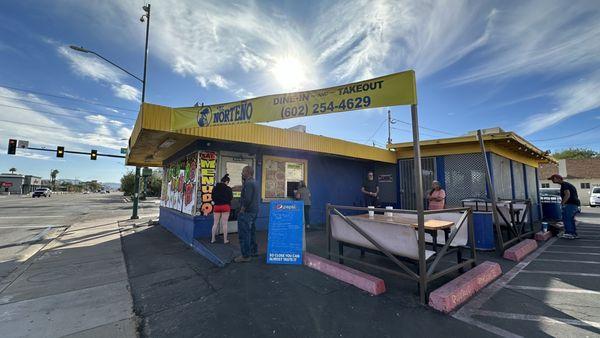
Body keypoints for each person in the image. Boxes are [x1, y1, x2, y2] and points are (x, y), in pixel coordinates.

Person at [234, 166, 259, 263]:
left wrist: (242, 209)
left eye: (243, 171)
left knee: (244, 234)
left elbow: (247, 199)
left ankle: (245, 255)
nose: (241, 173)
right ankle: (253, 251)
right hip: (254, 211)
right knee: (251, 232)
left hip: (247, 212)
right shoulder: (255, 182)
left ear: (248, 172)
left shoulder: (248, 183)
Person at [549, 174, 580, 239]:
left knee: (567, 219)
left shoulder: (564, 185)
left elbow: (567, 194)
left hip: (570, 204)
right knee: (570, 219)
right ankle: (573, 233)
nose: (552, 180)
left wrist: (562, 203)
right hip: (574, 204)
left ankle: (569, 233)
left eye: (552, 179)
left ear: (556, 178)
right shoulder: (567, 184)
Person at [210, 174, 233, 244]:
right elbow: (231, 198)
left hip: (217, 206)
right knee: (224, 224)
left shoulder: (215, 188)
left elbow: (212, 197)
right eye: (228, 182)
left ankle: (213, 239)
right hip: (225, 207)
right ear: (226, 182)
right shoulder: (228, 189)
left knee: (215, 223)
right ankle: (225, 240)